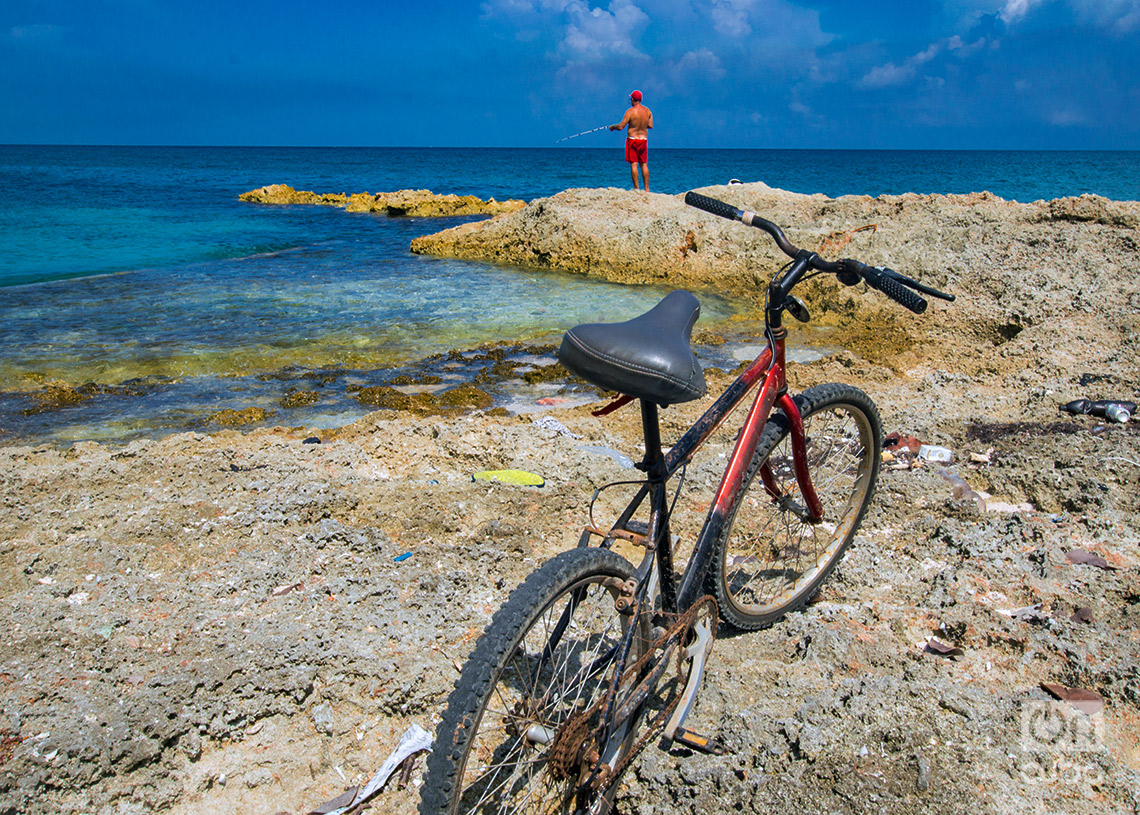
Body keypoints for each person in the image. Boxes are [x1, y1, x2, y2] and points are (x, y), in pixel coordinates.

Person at [609, 90, 653, 192]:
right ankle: (647, 189)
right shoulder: (648, 111)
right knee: (644, 164)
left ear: (633, 99)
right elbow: (650, 125)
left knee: (634, 164)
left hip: (632, 140)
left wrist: (613, 127)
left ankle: (637, 188)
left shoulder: (630, 112)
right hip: (643, 140)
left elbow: (621, 127)